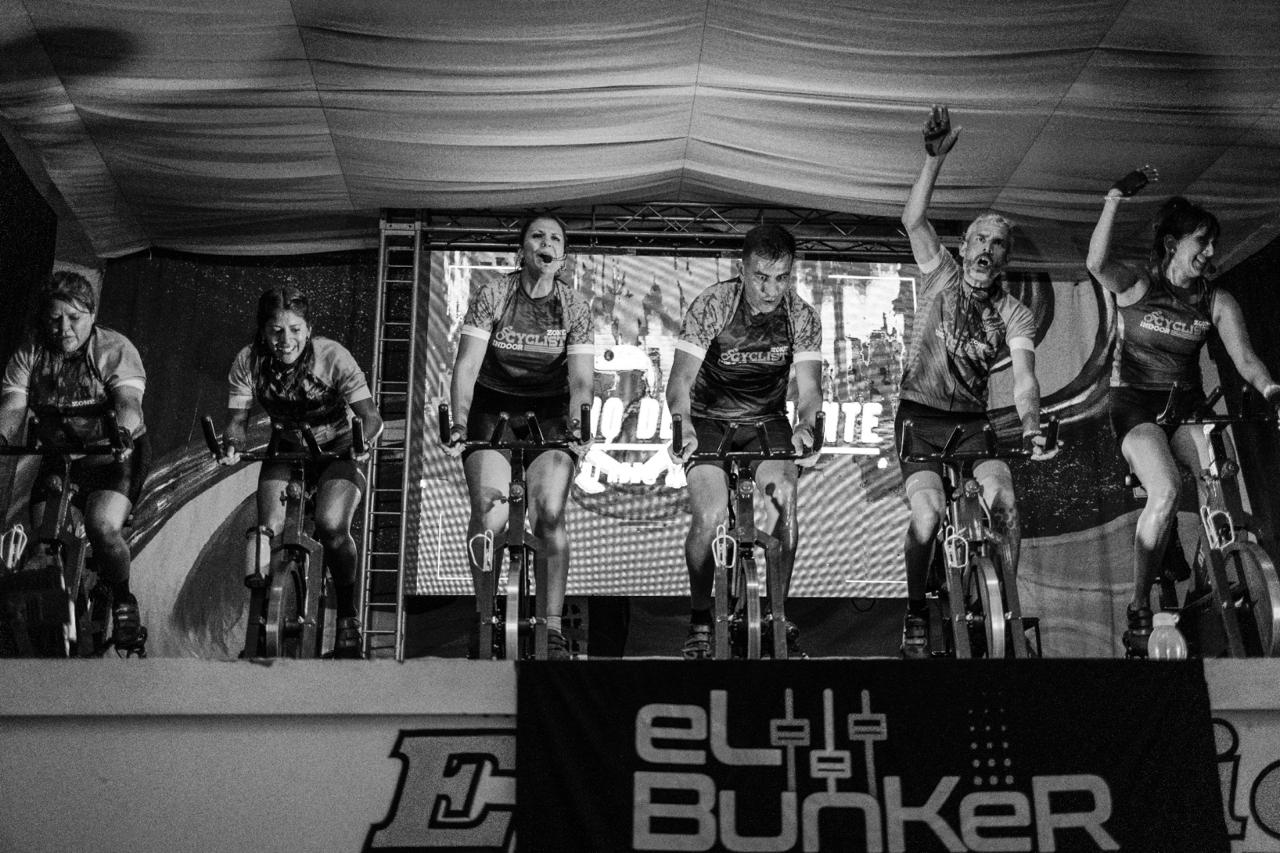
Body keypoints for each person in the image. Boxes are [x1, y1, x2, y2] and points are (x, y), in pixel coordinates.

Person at [1086, 172, 1280, 656]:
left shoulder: (1217, 300)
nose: (1211, 252)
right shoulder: (1138, 284)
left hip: (1186, 406)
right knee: (1167, 488)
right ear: (1173, 245)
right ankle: (1138, 603)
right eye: (1202, 242)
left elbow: (1246, 359)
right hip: (1135, 407)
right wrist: (1113, 200)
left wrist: (1272, 391)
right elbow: (1096, 263)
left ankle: (1207, 570)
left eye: (1214, 244)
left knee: (1221, 480)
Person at [896, 105, 1057, 658]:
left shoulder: (1015, 314)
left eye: (998, 244)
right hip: (919, 417)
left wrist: (1032, 425)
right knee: (927, 516)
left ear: (1005, 257)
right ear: (963, 248)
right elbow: (913, 221)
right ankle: (915, 611)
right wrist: (932, 161)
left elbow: (1026, 382)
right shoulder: (940, 274)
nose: (987, 249)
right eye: (979, 240)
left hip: (970, 423)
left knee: (1004, 500)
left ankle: (1006, 608)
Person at [667, 223, 823, 659]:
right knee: (711, 515)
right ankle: (700, 619)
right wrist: (683, 424)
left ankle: (775, 613)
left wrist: (806, 426)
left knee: (783, 502)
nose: (772, 290)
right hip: (708, 419)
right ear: (742, 269)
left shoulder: (802, 315)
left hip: (766, 419)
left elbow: (810, 391)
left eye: (782, 278)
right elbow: (679, 382)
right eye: (762, 277)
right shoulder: (713, 304)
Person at [445, 215, 594, 660]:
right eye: (537, 236)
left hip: (550, 412)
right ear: (522, 249)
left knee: (548, 513)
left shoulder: (574, 306)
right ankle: (485, 618)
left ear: (562, 256)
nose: (547, 243)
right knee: (489, 515)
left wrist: (579, 425)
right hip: (493, 409)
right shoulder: (494, 294)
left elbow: (581, 382)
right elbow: (466, 367)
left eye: (556, 238)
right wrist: (459, 421)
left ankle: (552, 629)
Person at [218, 286, 383, 659]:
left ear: (309, 329)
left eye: (294, 330)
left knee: (331, 527)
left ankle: (348, 618)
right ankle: (259, 628)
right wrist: (231, 443)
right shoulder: (248, 360)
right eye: (276, 330)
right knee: (266, 532)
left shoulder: (332, 355)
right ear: (263, 332)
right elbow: (237, 424)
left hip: (339, 449)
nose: (285, 340)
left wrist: (363, 442)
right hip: (289, 449)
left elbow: (371, 418)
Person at [0, 270, 150, 648]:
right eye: (54, 318)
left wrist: (122, 433)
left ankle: (123, 599)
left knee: (102, 528)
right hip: (62, 456)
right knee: (45, 540)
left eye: (74, 318)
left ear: (92, 315)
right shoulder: (30, 354)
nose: (63, 328)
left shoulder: (113, 348)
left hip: (113, 455)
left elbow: (129, 404)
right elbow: (12, 409)